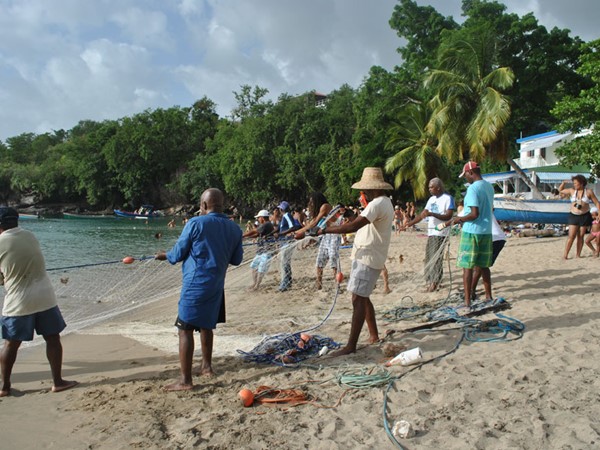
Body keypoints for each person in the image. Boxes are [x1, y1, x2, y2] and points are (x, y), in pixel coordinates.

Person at [155, 189, 243, 391]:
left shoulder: (195, 223)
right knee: (207, 325)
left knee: (184, 329)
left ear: (203, 206)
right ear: (222, 204)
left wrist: (163, 255)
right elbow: (237, 260)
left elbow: (177, 254)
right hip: (216, 285)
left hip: (196, 285)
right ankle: (206, 367)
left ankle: (185, 381)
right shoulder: (235, 229)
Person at [316, 167, 394, 356]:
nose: (363, 193)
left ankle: (351, 345)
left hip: (368, 257)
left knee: (357, 298)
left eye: (366, 189)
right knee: (363, 296)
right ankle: (373, 335)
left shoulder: (377, 204)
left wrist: (325, 230)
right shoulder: (381, 203)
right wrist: (349, 215)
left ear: (374, 188)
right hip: (367, 255)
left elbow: (354, 225)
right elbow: (360, 221)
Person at [0, 207, 78, 397]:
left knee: (11, 343)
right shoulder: (30, 235)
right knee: (52, 338)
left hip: (19, 301)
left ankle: (4, 387)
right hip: (45, 296)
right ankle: (58, 382)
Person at [446, 162, 495, 307]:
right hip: (486, 231)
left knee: (467, 267)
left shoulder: (473, 189)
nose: (466, 178)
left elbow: (474, 213)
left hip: (472, 231)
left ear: (471, 172)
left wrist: (458, 219)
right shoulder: (489, 186)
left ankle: (467, 301)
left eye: (466, 175)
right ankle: (488, 296)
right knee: (484, 266)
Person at [402, 178, 455, 292]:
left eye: (431, 187)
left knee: (436, 258)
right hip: (431, 232)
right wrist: (409, 224)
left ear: (438, 187)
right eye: (429, 187)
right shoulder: (431, 199)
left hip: (441, 232)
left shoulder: (447, 198)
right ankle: (431, 280)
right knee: (429, 257)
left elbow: (448, 216)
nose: (429, 189)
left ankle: (435, 282)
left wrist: (432, 214)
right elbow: (422, 215)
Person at [294, 193, 340, 290]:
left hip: (334, 235)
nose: (311, 203)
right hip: (326, 235)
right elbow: (313, 222)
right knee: (319, 260)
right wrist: (299, 231)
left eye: (312, 201)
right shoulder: (320, 209)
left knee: (333, 259)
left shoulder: (325, 206)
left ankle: (337, 284)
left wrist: (300, 231)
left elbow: (315, 222)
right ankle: (319, 284)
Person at [558, 175, 600, 259]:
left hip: (584, 215)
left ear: (581, 183)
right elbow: (560, 191)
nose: (574, 185)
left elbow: (597, 203)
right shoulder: (571, 191)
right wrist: (563, 183)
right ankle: (565, 255)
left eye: (575, 183)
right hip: (573, 215)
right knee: (571, 236)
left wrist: (599, 213)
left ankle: (578, 254)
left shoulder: (589, 192)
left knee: (580, 236)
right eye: (574, 183)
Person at [471, 213, 506, 299]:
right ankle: (473, 290)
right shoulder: (485, 208)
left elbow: (464, 217)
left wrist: (446, 224)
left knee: (481, 266)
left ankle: (480, 293)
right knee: (481, 266)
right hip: (495, 238)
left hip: (493, 239)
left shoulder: (476, 208)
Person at [243, 209, 275, 290]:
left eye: (258, 218)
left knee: (261, 268)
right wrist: (246, 237)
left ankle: (257, 285)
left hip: (267, 250)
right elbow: (257, 235)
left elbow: (255, 231)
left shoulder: (267, 224)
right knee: (254, 266)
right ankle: (255, 283)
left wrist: (243, 235)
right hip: (261, 250)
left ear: (262, 218)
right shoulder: (265, 224)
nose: (257, 219)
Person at [276, 201, 300, 292]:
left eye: (279, 208)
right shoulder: (284, 217)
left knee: (284, 263)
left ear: (282, 209)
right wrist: (272, 234)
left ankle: (284, 284)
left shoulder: (287, 215)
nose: (279, 210)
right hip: (283, 243)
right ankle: (288, 282)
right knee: (285, 263)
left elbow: (293, 227)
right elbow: (278, 229)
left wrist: (281, 234)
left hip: (287, 243)